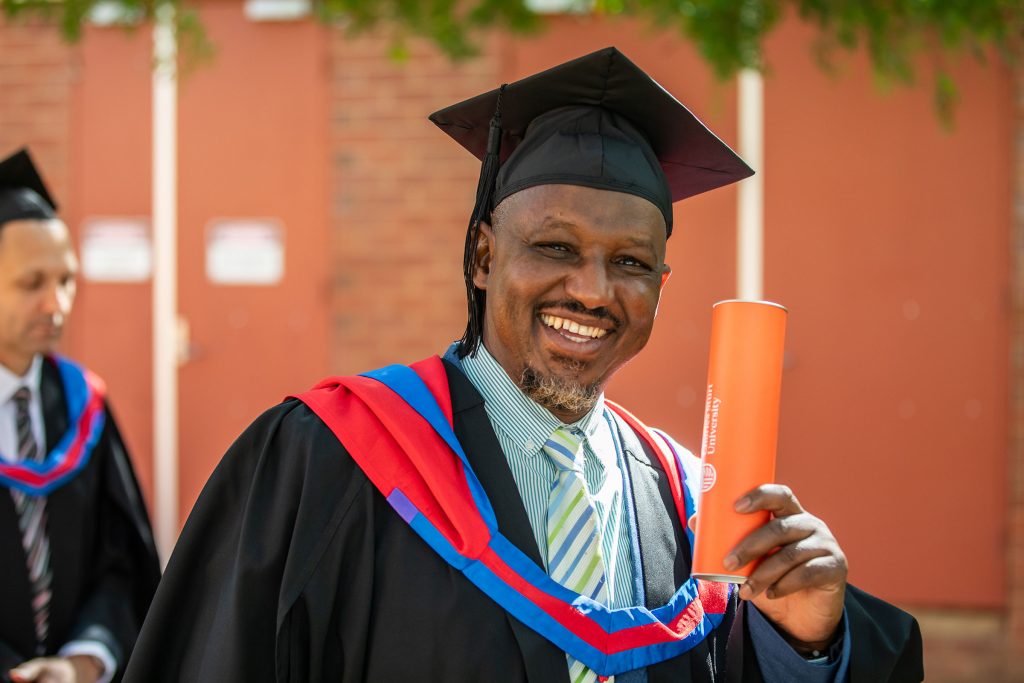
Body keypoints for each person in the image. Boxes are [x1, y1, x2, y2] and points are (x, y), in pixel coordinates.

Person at [124, 48, 922, 682]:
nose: (592, 289)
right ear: (481, 255)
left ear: (660, 286)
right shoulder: (329, 463)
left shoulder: (684, 503)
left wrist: (807, 644)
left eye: (631, 263)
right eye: (554, 247)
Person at [0, 149, 160, 683]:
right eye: (32, 284)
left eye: (66, 280)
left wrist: (83, 660)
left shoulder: (80, 404)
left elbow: (120, 564)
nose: (58, 304)